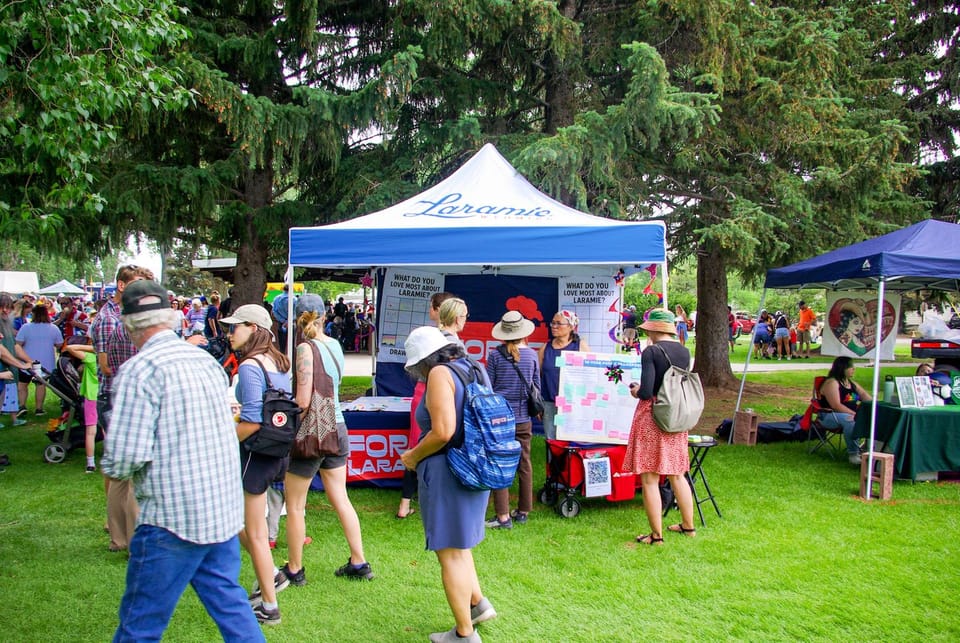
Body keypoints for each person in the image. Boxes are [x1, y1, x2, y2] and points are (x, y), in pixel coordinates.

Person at [100, 279, 264, 642]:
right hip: (219, 508)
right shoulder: (204, 362)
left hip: (170, 519)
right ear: (171, 318)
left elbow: (125, 456)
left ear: (128, 324)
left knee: (140, 623)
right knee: (231, 605)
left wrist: (111, 466)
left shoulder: (138, 371)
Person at [400, 326, 497, 643]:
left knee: (449, 553)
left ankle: (464, 634)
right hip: (475, 465)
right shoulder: (473, 366)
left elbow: (443, 431)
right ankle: (477, 604)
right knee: (461, 545)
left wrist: (413, 456)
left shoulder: (439, 374)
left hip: (448, 469)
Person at [278, 294, 374, 588]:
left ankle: (295, 568)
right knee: (341, 498)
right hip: (338, 428)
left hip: (312, 433)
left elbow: (304, 400)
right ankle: (359, 561)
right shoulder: (334, 345)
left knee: (295, 504)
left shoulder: (304, 349)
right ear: (323, 316)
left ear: (297, 317)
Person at [220, 304, 292, 625]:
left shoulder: (250, 366)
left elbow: (250, 420)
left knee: (255, 532)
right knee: (250, 528)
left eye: (235, 327)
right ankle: (272, 578)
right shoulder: (278, 363)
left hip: (254, 454)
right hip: (277, 453)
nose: (229, 333)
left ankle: (269, 604)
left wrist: (220, 445)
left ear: (254, 327)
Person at [89, 264, 153, 553]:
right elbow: (105, 365)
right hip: (117, 397)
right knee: (125, 472)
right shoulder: (111, 320)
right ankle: (126, 536)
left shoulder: (126, 317)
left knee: (121, 473)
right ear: (122, 285)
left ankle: (120, 535)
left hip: (123, 395)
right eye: (139, 284)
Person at [623, 308, 696, 546]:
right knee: (677, 474)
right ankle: (688, 526)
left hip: (653, 417)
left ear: (653, 330)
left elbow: (646, 391)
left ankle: (656, 536)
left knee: (650, 479)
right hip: (676, 416)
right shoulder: (684, 351)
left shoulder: (651, 351)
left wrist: (634, 390)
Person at [397, 291, 455, 520]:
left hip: (424, 396)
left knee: (422, 442)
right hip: (430, 397)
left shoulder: (433, 343)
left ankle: (407, 501)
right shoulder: (447, 343)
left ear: (437, 310)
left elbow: (441, 432)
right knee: (428, 443)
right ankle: (415, 499)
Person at [484, 311, 539, 529]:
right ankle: (524, 510)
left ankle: (503, 515)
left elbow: (489, 388)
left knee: (499, 463)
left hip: (500, 418)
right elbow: (537, 388)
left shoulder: (495, 356)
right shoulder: (533, 356)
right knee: (524, 463)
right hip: (524, 417)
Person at [538, 310, 589, 440]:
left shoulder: (580, 346)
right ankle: (552, 461)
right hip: (549, 402)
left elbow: (590, 375)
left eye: (559, 323)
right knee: (551, 440)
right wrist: (539, 403)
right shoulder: (545, 348)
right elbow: (538, 376)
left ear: (571, 327)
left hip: (573, 402)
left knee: (571, 440)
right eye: (553, 323)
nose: (554, 326)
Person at [818, 356, 873, 465]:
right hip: (830, 415)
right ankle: (853, 454)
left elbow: (864, 395)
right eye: (851, 367)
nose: (854, 369)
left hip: (851, 414)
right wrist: (856, 415)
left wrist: (874, 405)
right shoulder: (832, 383)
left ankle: (868, 447)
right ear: (842, 368)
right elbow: (836, 405)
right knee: (850, 420)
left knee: (875, 417)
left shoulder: (851, 383)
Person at [15, 303, 63, 415]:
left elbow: (18, 343)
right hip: (45, 362)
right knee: (40, 385)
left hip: (27, 360)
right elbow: (59, 344)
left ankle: (22, 405)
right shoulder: (53, 328)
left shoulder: (26, 327)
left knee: (22, 384)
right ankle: (39, 408)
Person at [62, 337, 99, 473]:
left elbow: (70, 348)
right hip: (105, 396)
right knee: (108, 429)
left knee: (90, 432)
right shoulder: (110, 359)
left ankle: (90, 463)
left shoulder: (90, 358)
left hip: (91, 397)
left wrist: (92, 348)